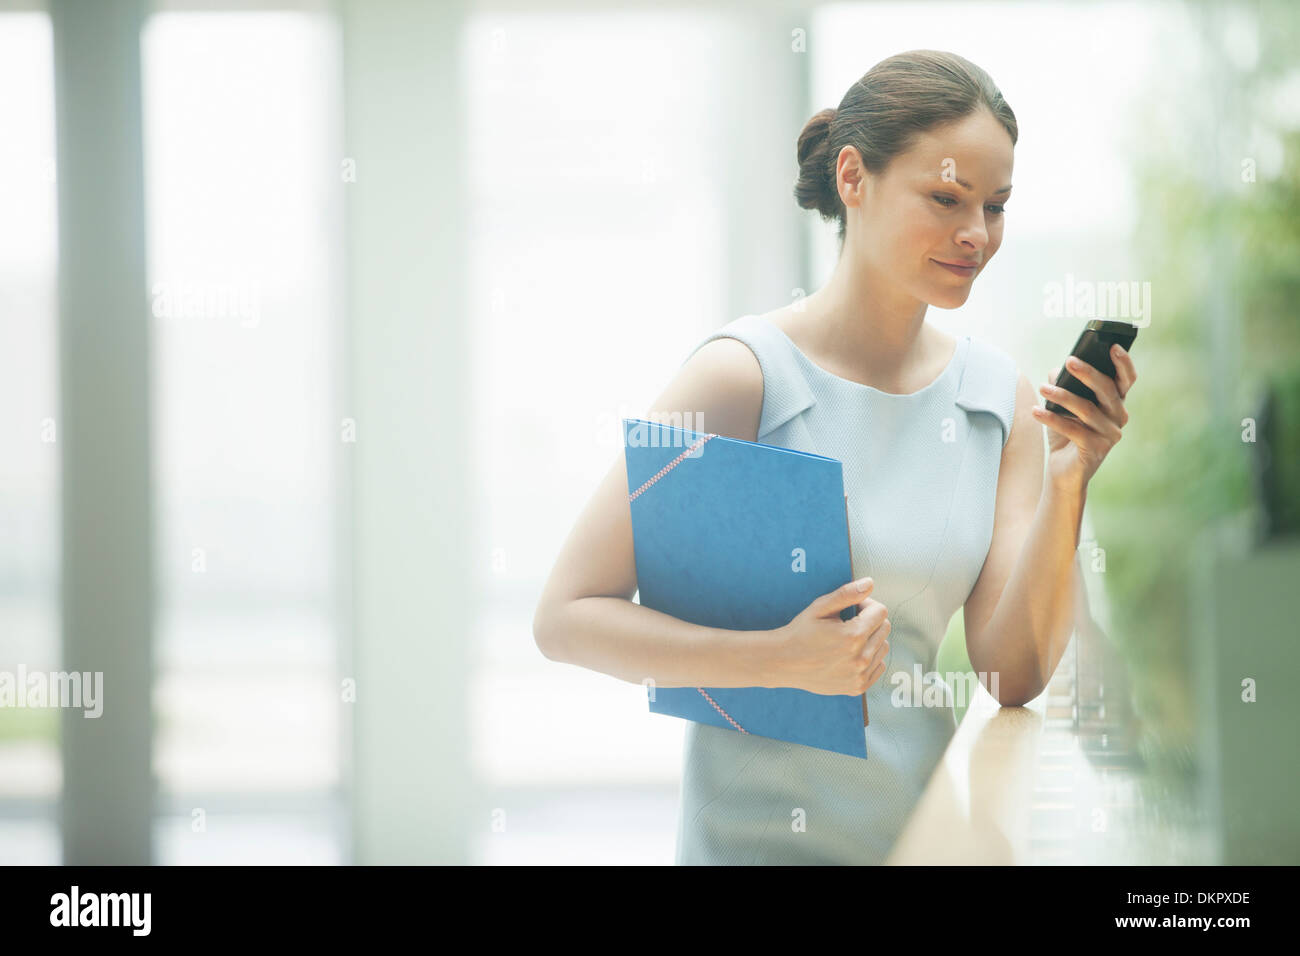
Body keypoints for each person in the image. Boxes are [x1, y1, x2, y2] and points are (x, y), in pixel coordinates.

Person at [532, 49, 1137, 864]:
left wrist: (1070, 479)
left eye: (995, 206)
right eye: (946, 198)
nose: (976, 234)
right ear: (853, 177)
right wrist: (775, 659)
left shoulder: (997, 400)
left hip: (924, 843)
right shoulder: (741, 377)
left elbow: (1010, 675)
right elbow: (567, 618)